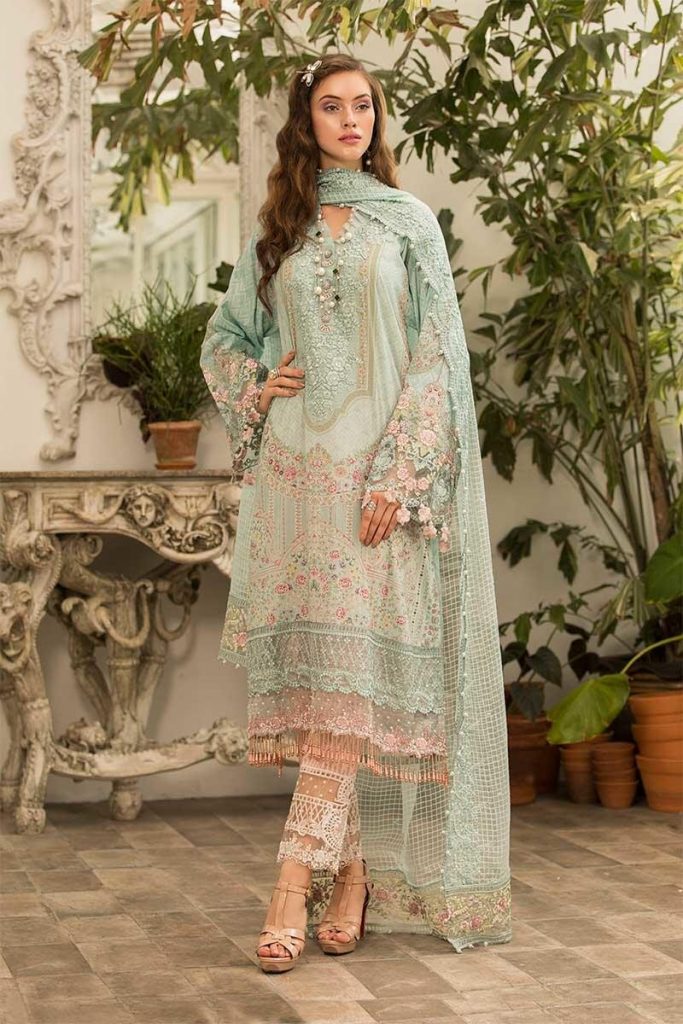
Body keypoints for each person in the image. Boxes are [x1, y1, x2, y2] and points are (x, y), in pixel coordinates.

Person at [200, 52, 511, 974]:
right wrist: (260, 384)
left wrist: (401, 475)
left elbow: (435, 357)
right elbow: (225, 339)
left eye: (363, 105)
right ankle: (353, 878)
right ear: (306, 122)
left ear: (378, 118)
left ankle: (289, 882)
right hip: (297, 485)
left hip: (378, 490)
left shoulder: (407, 224)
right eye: (331, 106)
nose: (349, 119)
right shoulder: (280, 233)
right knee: (330, 693)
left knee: (348, 691)